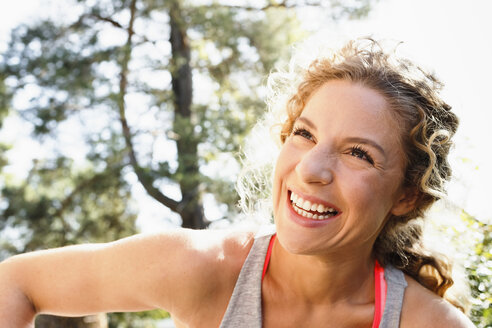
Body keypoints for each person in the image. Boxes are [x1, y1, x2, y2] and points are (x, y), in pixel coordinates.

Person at [0, 38, 475, 328]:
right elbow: (15, 282)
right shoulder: (200, 268)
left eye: (358, 153)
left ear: (406, 195)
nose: (312, 168)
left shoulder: (427, 324)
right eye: (304, 134)